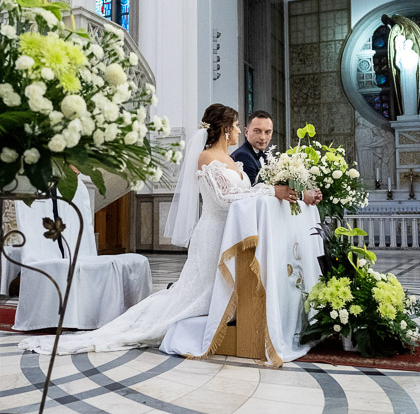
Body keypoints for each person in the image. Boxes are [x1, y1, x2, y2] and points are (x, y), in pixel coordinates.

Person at [19, 103, 289, 356]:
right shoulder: (207, 157)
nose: (240, 130)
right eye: (238, 125)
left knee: (214, 289)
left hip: (228, 232)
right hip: (212, 231)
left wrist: (267, 192)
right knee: (194, 294)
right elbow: (225, 198)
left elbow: (243, 192)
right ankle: (147, 324)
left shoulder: (231, 159)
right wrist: (270, 190)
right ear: (225, 128)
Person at [231, 110, 323, 206]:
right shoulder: (242, 156)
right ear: (246, 132)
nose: (263, 137)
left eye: (267, 132)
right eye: (257, 131)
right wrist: (301, 196)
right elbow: (254, 193)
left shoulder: (267, 156)